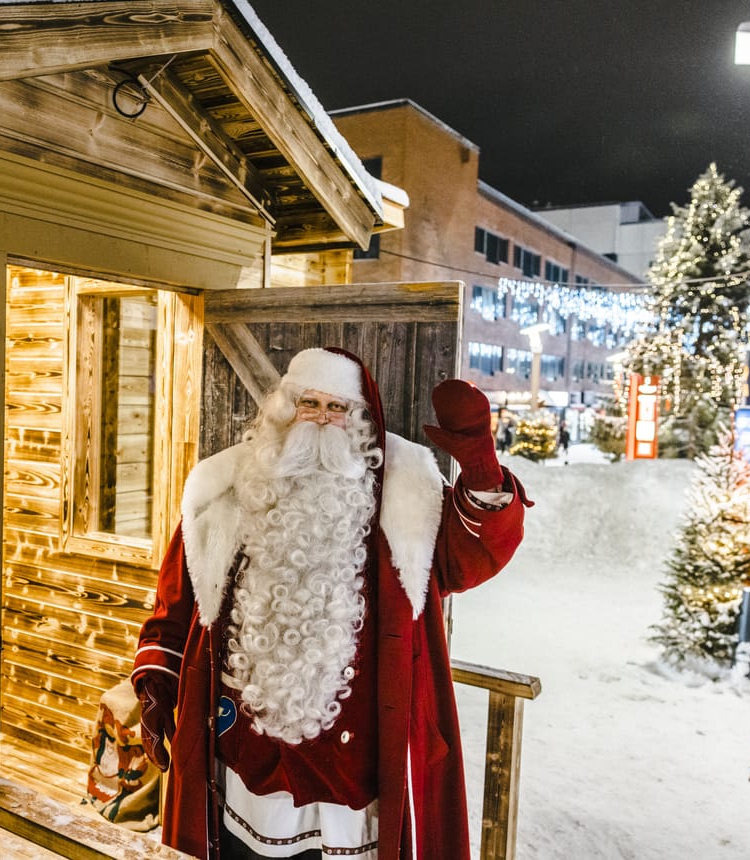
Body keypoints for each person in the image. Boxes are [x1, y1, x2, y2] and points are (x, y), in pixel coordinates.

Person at [131, 348, 530, 859]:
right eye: (309, 403)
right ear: (285, 409)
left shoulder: (406, 493)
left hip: (352, 780)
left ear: (358, 420)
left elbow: (472, 557)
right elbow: (176, 600)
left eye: (336, 407)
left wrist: (480, 468)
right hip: (244, 766)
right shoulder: (225, 489)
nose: (321, 419)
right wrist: (156, 686)